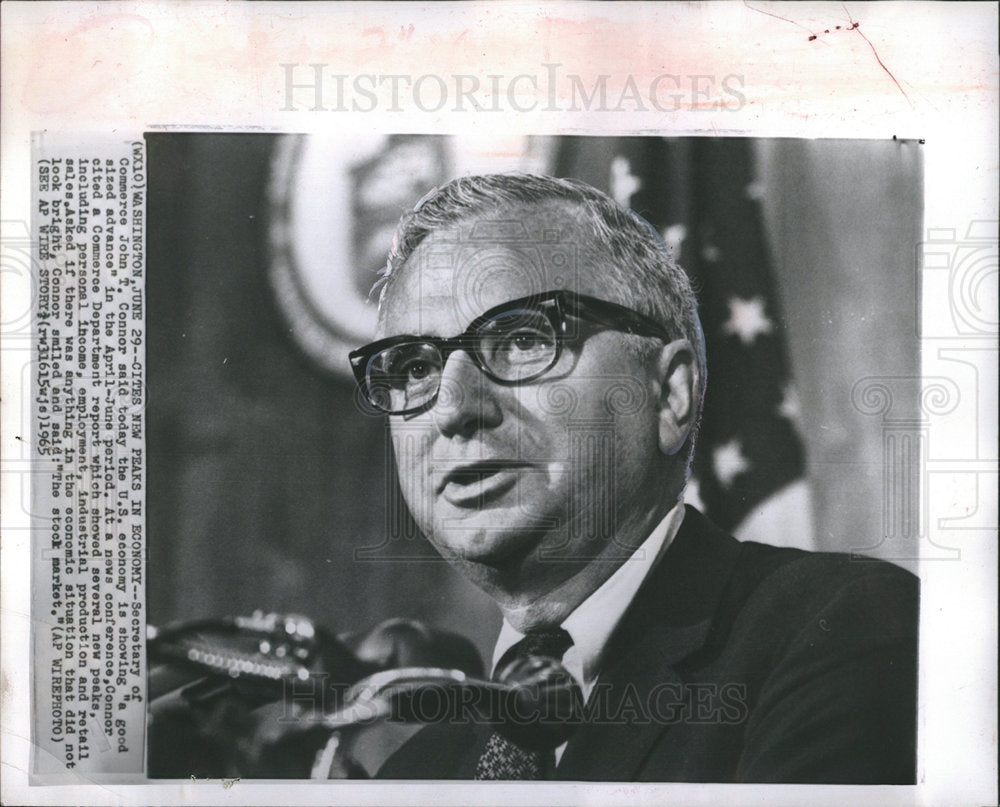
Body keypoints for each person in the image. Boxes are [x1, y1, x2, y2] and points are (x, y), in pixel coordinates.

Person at [348, 173, 918, 783]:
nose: (454, 408)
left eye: (521, 338)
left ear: (669, 394)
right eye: (413, 368)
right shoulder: (418, 771)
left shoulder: (837, 630)